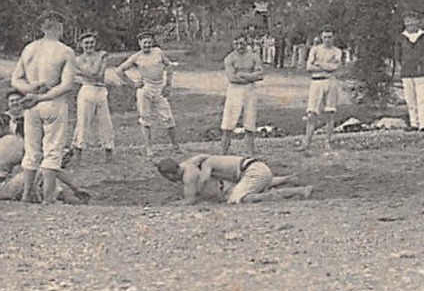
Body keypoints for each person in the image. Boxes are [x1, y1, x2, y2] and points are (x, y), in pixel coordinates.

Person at [10, 13, 78, 204]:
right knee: (53, 150)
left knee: (31, 150)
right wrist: (41, 95)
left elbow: (15, 79)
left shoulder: (29, 49)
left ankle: (27, 193)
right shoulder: (65, 51)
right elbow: (66, 85)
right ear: (60, 27)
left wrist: (31, 90)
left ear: (42, 28)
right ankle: (48, 198)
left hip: (31, 104)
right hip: (52, 103)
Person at [0, 109, 91, 203]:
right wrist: (75, 187)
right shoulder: (21, 143)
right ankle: (55, 198)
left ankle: (51, 196)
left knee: (32, 172)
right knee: (45, 170)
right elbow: (50, 167)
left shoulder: (5, 140)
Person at [115, 31, 183, 157]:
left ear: (152, 42)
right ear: (139, 43)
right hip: (145, 90)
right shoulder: (136, 57)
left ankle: (175, 146)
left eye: (149, 42)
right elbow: (119, 70)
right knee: (145, 119)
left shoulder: (158, 52)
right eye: (144, 43)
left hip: (159, 90)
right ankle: (149, 148)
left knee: (168, 118)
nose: (147, 45)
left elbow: (169, 66)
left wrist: (168, 84)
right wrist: (132, 84)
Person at [156, 154, 311, 205]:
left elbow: (190, 200)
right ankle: (288, 179)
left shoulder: (193, 173)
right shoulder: (191, 163)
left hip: (251, 170)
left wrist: (171, 204)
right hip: (254, 168)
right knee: (256, 182)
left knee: (243, 199)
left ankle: (298, 190)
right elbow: (202, 156)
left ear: (170, 175)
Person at [71, 31, 115, 165]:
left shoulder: (102, 54)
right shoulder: (78, 59)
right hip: (87, 90)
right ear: (81, 45)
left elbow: (98, 73)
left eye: (91, 42)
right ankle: (78, 154)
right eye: (86, 43)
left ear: (95, 43)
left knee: (106, 122)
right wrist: (86, 73)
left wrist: (81, 72)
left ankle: (108, 152)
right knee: (83, 122)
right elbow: (89, 74)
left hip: (101, 90)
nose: (89, 45)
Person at [301, 28, 344, 152]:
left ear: (333, 37)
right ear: (321, 37)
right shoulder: (315, 49)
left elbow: (334, 67)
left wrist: (319, 64)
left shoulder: (337, 51)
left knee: (330, 113)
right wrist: (325, 66)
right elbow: (309, 67)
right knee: (311, 114)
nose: (327, 40)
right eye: (325, 37)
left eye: (330, 37)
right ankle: (307, 142)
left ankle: (327, 142)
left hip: (330, 82)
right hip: (316, 82)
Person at [220, 36, 265, 155]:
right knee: (228, 122)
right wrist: (250, 75)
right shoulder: (230, 58)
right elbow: (232, 78)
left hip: (250, 90)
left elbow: (260, 75)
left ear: (246, 42)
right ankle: (223, 153)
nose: (239, 46)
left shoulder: (253, 56)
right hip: (234, 91)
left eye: (242, 43)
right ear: (233, 45)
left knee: (250, 122)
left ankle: (250, 154)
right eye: (236, 44)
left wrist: (243, 75)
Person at [393, 11, 424, 131]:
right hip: (407, 72)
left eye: (412, 20)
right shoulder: (401, 38)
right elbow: (398, 55)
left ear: (418, 22)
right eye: (407, 21)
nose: (410, 23)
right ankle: (414, 123)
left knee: (422, 97)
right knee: (410, 98)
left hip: (421, 71)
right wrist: (404, 65)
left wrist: (423, 63)